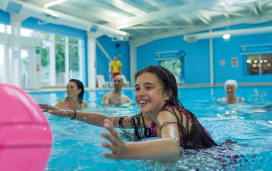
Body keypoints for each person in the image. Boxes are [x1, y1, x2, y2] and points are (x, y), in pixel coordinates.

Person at [40, 65, 217, 161]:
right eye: (138, 88)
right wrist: (69, 114)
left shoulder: (167, 113)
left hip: (216, 161)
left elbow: (171, 144)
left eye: (149, 87)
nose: (140, 93)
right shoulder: (148, 118)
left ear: (167, 94)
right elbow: (108, 120)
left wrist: (128, 150)